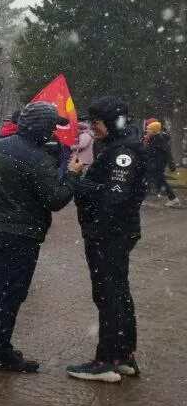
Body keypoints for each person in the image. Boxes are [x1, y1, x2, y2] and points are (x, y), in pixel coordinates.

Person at [0, 101, 74, 373]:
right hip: (21, 237)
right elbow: (55, 199)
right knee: (10, 293)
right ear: (43, 129)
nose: (53, 134)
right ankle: (1, 352)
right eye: (52, 128)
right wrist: (72, 176)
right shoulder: (39, 161)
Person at [61, 97, 145, 381]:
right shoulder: (120, 146)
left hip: (109, 234)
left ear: (110, 121)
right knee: (118, 291)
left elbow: (115, 197)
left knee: (109, 294)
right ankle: (124, 354)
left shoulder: (123, 152)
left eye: (96, 122)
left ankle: (106, 360)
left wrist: (84, 185)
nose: (93, 128)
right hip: (113, 232)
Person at [144, 120, 179, 207]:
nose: (147, 131)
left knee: (160, 181)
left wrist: (159, 165)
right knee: (148, 180)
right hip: (153, 165)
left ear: (154, 131)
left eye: (149, 130)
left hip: (156, 166)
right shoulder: (154, 139)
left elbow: (165, 153)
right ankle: (141, 198)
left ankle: (174, 199)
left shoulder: (159, 140)